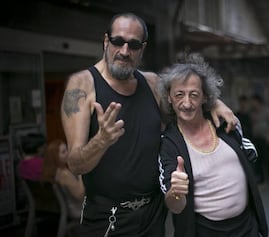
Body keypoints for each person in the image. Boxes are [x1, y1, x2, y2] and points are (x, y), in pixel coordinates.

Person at [60, 12, 237, 236]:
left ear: (142, 49)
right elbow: (75, 164)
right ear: (106, 41)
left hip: (154, 215)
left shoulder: (152, 83)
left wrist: (214, 104)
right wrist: (101, 141)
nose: (125, 51)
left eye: (133, 45)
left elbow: (185, 98)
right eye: (118, 42)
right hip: (108, 218)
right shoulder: (82, 85)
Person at [158, 54, 268, 237]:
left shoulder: (225, 124)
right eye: (179, 95)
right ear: (169, 97)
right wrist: (176, 192)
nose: (186, 103)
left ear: (205, 98)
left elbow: (250, 153)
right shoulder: (168, 143)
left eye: (194, 95)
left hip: (247, 227)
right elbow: (175, 206)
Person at [42, 139, 85, 219]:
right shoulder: (64, 174)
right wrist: (80, 172)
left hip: (69, 209)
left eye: (67, 150)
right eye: (63, 152)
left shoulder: (56, 171)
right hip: (78, 210)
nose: (67, 153)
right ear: (55, 156)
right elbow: (80, 195)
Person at [250, 94, 269, 185]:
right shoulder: (252, 113)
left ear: (258, 102)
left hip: (265, 138)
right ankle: (261, 178)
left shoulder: (266, 111)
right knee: (258, 159)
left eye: (254, 102)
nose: (253, 104)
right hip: (256, 138)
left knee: (267, 159)